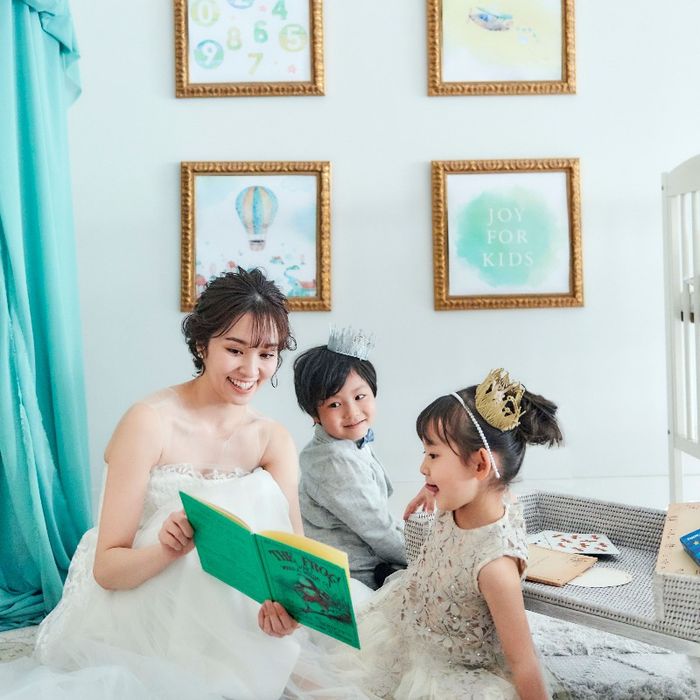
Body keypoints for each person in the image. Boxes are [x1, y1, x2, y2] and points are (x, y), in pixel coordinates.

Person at [1, 268, 306, 700]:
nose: (251, 369)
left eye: (266, 354)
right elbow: (107, 569)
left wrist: (287, 613)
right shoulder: (150, 422)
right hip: (144, 602)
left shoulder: (272, 439)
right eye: (235, 349)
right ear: (202, 345)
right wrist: (169, 548)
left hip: (237, 612)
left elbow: (294, 562)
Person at [281, 368, 562, 700]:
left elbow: (523, 662)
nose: (422, 467)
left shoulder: (496, 567)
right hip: (406, 627)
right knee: (301, 663)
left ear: (479, 465)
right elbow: (494, 487)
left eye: (433, 455)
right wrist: (433, 487)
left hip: (449, 670)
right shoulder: (467, 497)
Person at [293, 327, 408, 589]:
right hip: (353, 577)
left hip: (370, 559)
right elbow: (377, 530)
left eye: (359, 396)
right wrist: (430, 557)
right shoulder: (334, 460)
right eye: (335, 404)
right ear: (314, 414)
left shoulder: (346, 443)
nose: (352, 412)